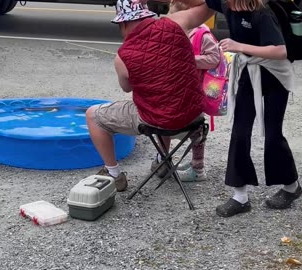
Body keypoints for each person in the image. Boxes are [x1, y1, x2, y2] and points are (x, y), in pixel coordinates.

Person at [164, 0, 301, 217]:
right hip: (247, 73)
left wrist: (238, 47)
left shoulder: (262, 13)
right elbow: (195, 0)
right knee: (240, 133)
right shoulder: (227, 4)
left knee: (273, 134)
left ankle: (291, 187)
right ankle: (240, 196)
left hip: (274, 76)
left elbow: (280, 50)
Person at [85, 0, 215, 192]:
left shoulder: (122, 57)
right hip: (193, 119)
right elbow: (213, 4)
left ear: (123, 23)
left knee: (93, 115)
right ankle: (162, 161)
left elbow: (126, 88)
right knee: (164, 102)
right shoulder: (176, 22)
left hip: (158, 122)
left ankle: (114, 174)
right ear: (146, 14)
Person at [169, 0, 221, 182]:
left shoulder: (202, 34)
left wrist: (189, 58)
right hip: (181, 89)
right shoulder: (180, 31)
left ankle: (198, 168)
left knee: (197, 129)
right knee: (188, 128)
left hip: (196, 90)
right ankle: (191, 161)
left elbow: (215, 58)